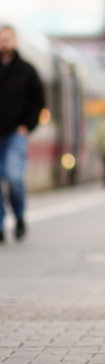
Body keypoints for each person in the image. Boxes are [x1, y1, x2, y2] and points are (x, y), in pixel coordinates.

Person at [0, 25, 45, 243]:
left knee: (13, 176)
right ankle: (0, 224)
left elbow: (39, 102)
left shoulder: (27, 70)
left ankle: (19, 216)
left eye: (7, 39)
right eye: (1, 39)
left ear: (15, 41)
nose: (4, 43)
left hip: (15, 133)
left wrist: (27, 126)